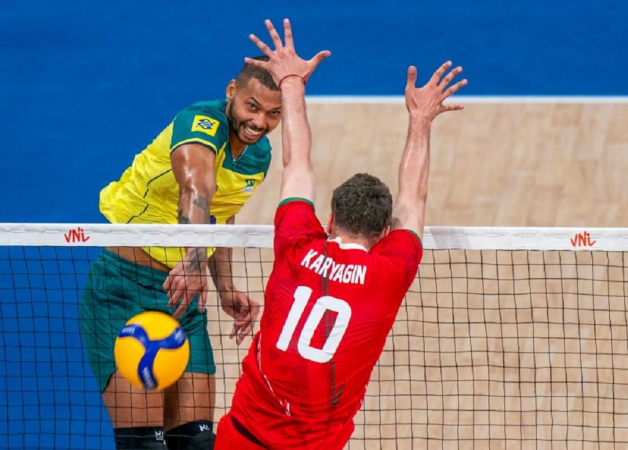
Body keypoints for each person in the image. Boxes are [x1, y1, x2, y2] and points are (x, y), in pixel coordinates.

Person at [214, 19, 468, 449]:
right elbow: (413, 198)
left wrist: (291, 83)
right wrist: (421, 120)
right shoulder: (390, 273)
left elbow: (297, 164)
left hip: (240, 437)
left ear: (329, 220)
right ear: (385, 233)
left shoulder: (297, 243)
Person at [79, 52, 301, 450]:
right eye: (252, 106)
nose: (259, 122)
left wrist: (225, 285)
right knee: (145, 444)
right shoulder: (199, 124)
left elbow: (223, 214)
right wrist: (196, 261)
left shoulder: (258, 156)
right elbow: (196, 191)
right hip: (123, 290)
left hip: (183, 300)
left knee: (196, 443)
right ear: (231, 92)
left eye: (273, 113)